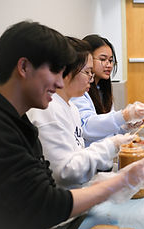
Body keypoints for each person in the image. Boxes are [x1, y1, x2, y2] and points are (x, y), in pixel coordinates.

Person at [0, 21, 144, 229]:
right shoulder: (4, 128)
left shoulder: (21, 122)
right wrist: (119, 181)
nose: (60, 83)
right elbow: (49, 201)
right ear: (24, 66)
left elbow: (48, 187)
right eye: (55, 72)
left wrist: (114, 180)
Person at [28, 37, 133, 189]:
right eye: (88, 72)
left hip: (79, 190)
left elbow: (79, 154)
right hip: (63, 202)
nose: (91, 79)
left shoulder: (72, 108)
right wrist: (111, 145)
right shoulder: (48, 110)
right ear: (67, 72)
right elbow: (65, 173)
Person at [71, 34, 144, 146]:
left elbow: (108, 131)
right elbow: (87, 128)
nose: (108, 65)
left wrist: (125, 126)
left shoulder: (102, 89)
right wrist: (124, 115)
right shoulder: (78, 90)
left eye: (110, 60)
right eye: (103, 59)